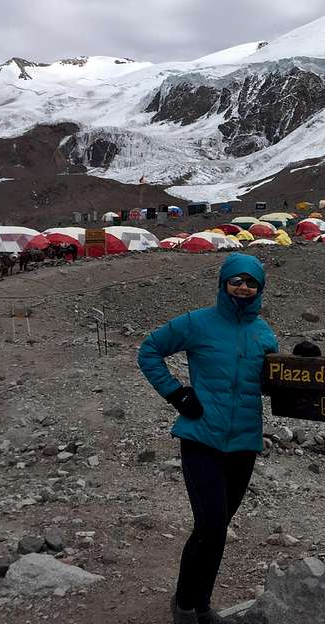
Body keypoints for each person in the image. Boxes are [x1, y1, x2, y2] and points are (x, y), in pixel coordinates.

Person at [138, 253, 278, 624]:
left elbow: (269, 383)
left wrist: (303, 362)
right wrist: (176, 393)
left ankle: (199, 605)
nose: (244, 287)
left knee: (213, 530)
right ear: (224, 282)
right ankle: (186, 608)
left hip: (244, 443)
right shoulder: (198, 322)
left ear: (260, 289)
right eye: (237, 280)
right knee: (212, 526)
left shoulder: (264, 333)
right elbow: (149, 349)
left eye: (252, 282)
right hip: (202, 439)